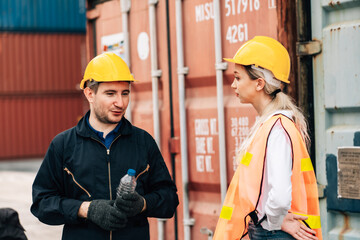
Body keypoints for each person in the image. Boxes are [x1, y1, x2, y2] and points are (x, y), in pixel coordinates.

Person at [31, 52, 179, 240]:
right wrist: (86, 209)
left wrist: (142, 204)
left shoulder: (143, 142)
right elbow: (42, 203)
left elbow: (169, 199)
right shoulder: (63, 145)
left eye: (125, 93)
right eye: (110, 94)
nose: (120, 102)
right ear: (89, 93)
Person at [213, 36, 322, 240]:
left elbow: (279, 197)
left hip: (273, 233)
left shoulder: (277, 129)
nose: (233, 85)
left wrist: (273, 222)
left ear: (259, 83)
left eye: (238, 77)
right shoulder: (270, 126)